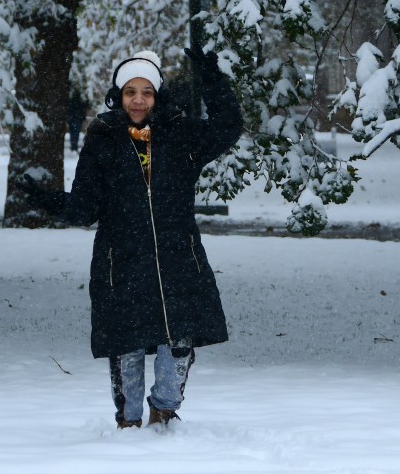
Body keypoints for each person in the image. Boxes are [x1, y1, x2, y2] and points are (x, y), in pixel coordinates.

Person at [21, 48, 243, 429]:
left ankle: (164, 409)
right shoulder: (102, 138)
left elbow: (228, 125)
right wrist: (49, 200)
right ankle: (128, 424)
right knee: (127, 348)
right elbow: (85, 207)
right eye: (130, 92)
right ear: (118, 96)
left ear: (158, 96)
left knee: (178, 343)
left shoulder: (181, 134)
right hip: (121, 260)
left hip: (177, 258)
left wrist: (211, 78)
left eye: (146, 92)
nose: (138, 100)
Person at [66, 87, 89, 152]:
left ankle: (73, 145)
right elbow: (83, 109)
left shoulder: (72, 102)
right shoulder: (80, 102)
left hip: (73, 119)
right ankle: (74, 145)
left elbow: (69, 110)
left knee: (73, 133)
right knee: (76, 133)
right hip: (77, 119)